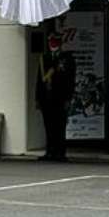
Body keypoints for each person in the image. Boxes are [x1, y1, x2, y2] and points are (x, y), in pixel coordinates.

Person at [35, 29, 76, 163]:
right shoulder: (44, 58)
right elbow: (39, 81)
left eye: (55, 41)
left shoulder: (67, 59)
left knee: (60, 126)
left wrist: (69, 98)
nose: (53, 43)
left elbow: (70, 80)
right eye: (51, 41)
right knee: (48, 126)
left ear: (60, 42)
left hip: (61, 98)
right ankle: (50, 152)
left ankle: (60, 152)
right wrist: (37, 98)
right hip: (47, 98)